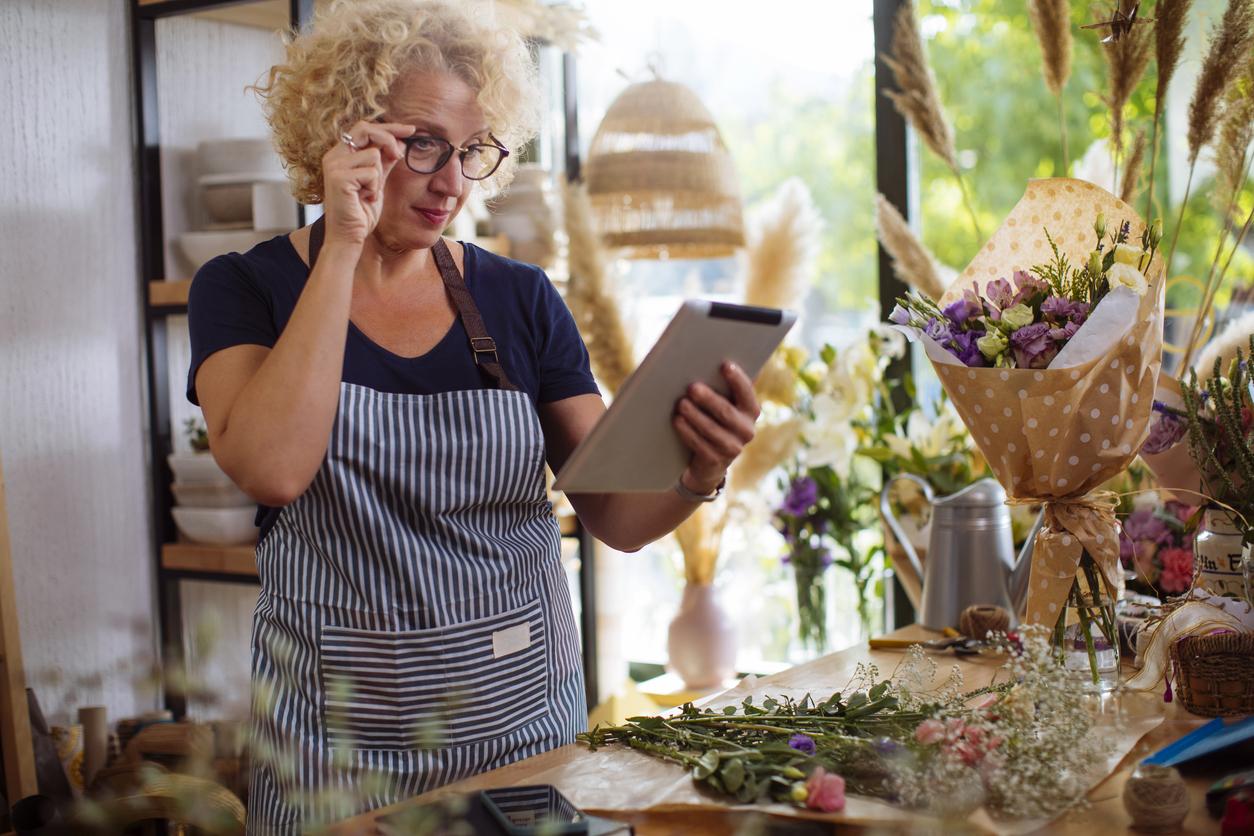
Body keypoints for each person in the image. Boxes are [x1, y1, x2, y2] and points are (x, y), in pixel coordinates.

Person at [186, 1, 760, 831]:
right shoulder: (243, 289)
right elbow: (273, 467)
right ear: (345, 133)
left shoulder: (519, 298)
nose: (452, 182)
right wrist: (342, 242)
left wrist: (701, 471)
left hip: (522, 725)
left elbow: (619, 515)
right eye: (423, 145)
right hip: (338, 751)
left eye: (471, 153)